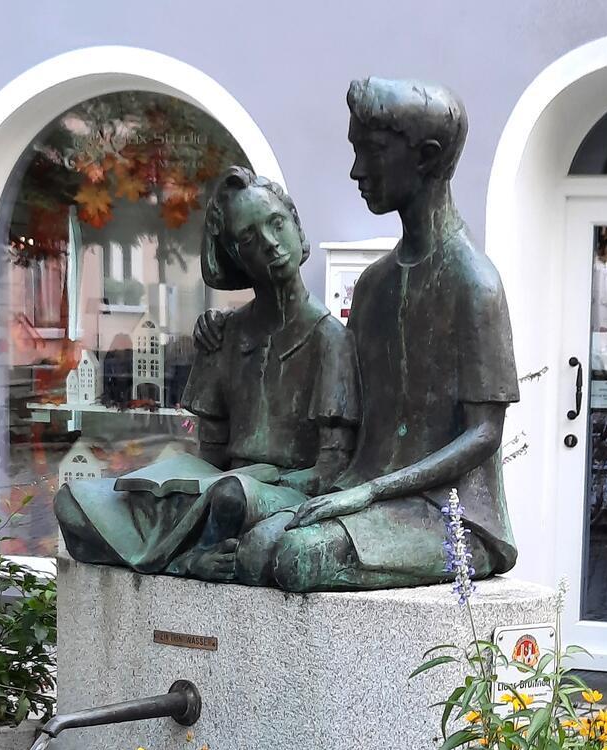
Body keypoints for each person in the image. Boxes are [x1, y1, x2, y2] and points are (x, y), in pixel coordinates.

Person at [202, 78, 520, 592]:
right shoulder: (373, 287)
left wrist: (370, 493)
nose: (356, 170)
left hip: (449, 515)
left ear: (425, 157)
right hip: (362, 491)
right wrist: (228, 331)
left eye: (371, 151)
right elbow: (336, 388)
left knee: (296, 558)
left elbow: (484, 434)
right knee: (254, 550)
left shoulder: (474, 283)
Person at [54, 167, 359, 580]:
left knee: (231, 496)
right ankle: (185, 558)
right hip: (215, 487)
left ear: (297, 227)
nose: (270, 243)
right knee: (72, 502)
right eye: (249, 238)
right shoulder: (223, 334)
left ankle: (191, 558)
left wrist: (262, 480)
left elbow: (332, 468)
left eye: (277, 223)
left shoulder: (331, 339)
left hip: (274, 494)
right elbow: (210, 454)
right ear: (236, 257)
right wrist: (176, 484)